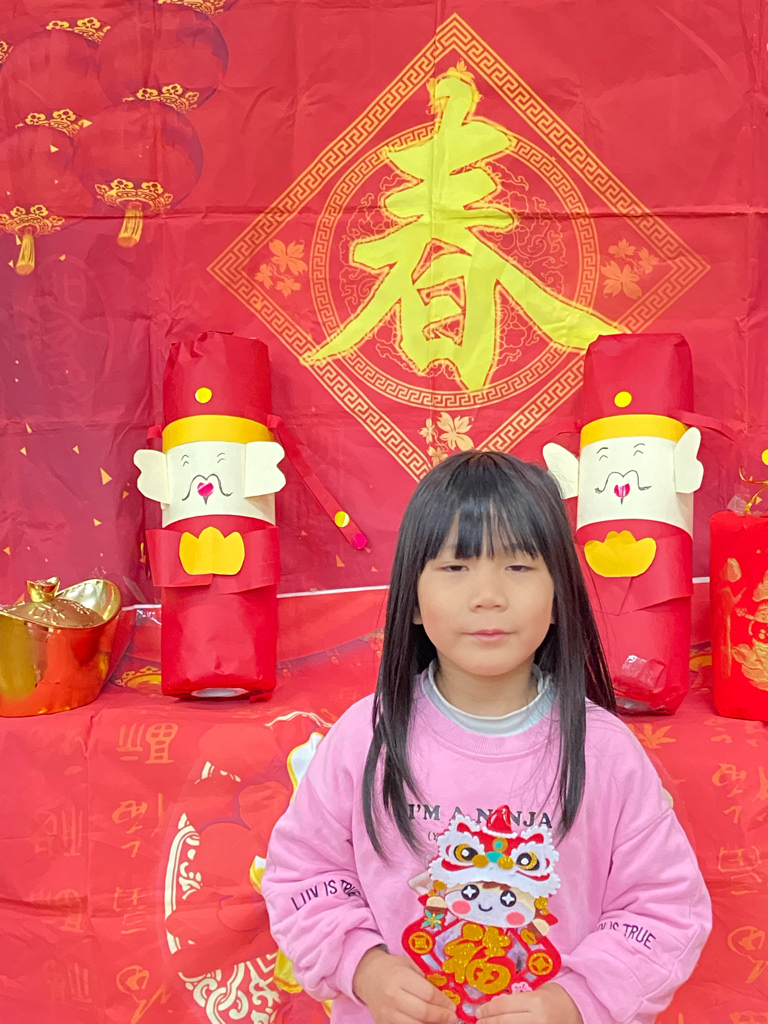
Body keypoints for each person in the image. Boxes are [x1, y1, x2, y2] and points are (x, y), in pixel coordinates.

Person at [262, 451, 711, 1024]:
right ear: (413, 600)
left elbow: (664, 909)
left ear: (560, 597)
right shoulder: (366, 737)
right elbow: (303, 875)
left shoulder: (605, 751)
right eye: (455, 567)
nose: (488, 595)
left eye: (518, 566)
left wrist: (576, 1002)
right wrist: (363, 968)